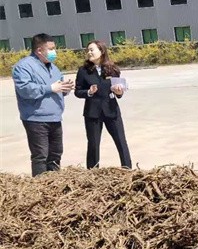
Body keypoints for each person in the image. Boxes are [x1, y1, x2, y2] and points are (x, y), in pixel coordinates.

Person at [12, 33, 74, 176]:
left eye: (54, 48)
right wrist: (50, 88)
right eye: (51, 49)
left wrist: (65, 88)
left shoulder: (54, 68)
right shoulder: (24, 67)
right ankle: (40, 186)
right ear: (39, 50)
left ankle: (54, 183)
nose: (54, 52)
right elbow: (25, 90)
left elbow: (58, 88)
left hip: (55, 117)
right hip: (36, 119)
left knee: (56, 154)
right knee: (40, 156)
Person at [74, 40, 132, 169]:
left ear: (101, 51)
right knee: (93, 144)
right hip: (92, 113)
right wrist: (88, 92)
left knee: (121, 141)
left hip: (111, 110)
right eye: (88, 50)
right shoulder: (83, 71)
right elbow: (77, 91)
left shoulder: (112, 69)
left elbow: (119, 91)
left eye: (92, 50)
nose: (89, 52)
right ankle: (92, 172)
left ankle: (127, 169)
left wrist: (119, 92)